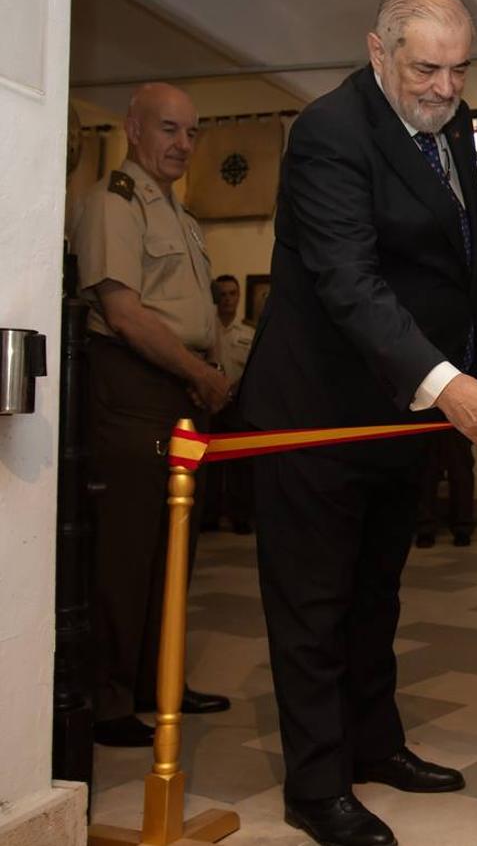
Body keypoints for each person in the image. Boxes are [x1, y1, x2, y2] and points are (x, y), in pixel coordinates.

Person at [236, 0, 477, 846]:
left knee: (376, 596)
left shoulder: (453, 131)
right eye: (427, 68)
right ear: (378, 52)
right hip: (318, 417)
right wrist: (451, 385)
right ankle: (315, 785)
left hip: (398, 414)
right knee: (313, 606)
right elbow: (349, 286)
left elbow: (447, 271)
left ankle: (375, 743)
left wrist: (459, 374)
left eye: (460, 70)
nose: (445, 87)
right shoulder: (329, 132)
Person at [71, 83, 233, 750]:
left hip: (181, 392)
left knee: (175, 546)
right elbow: (124, 312)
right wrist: (200, 374)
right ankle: (108, 698)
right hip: (136, 386)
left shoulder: (181, 215)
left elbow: (196, 319)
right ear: (134, 129)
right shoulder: (115, 203)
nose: (182, 145)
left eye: (191, 133)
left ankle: (155, 681)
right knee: (127, 548)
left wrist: (211, 376)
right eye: (169, 130)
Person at [201, 274, 254, 535]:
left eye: (232, 294)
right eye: (222, 294)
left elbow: (255, 370)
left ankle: (240, 517)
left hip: (236, 404)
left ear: (239, 297)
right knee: (208, 463)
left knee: (240, 464)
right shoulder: (206, 330)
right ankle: (208, 516)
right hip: (208, 402)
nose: (227, 299)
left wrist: (232, 390)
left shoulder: (248, 334)